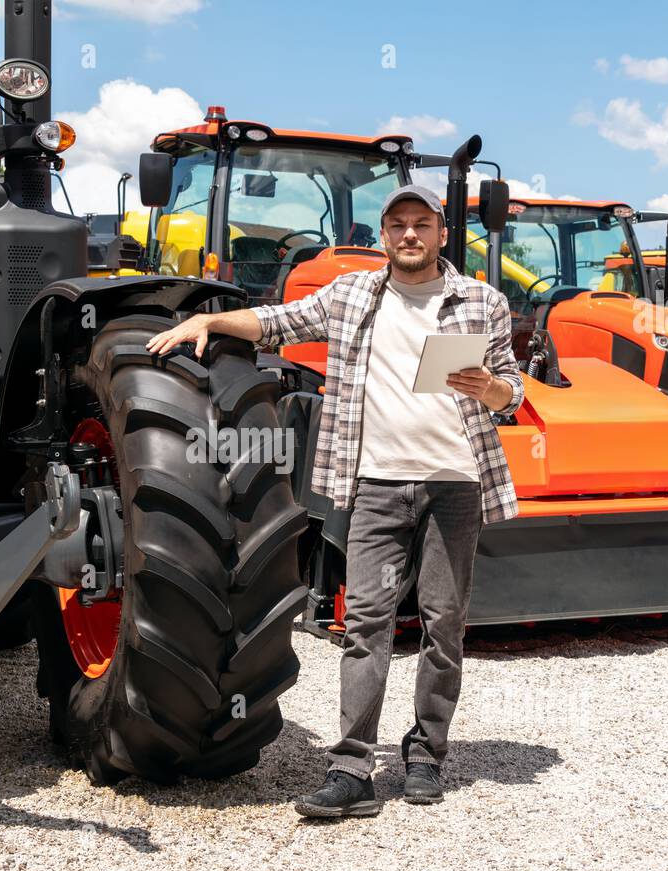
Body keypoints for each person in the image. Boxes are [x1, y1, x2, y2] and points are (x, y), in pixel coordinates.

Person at [146, 184, 523, 818]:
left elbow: (511, 386)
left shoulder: (482, 301)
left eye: (421, 225)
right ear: (384, 235)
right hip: (375, 485)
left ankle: (427, 753)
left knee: (443, 628)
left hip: (454, 486)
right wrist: (208, 320)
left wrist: (491, 387)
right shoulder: (351, 295)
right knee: (366, 625)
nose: (409, 235)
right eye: (398, 224)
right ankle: (353, 768)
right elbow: (275, 321)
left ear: (440, 235)